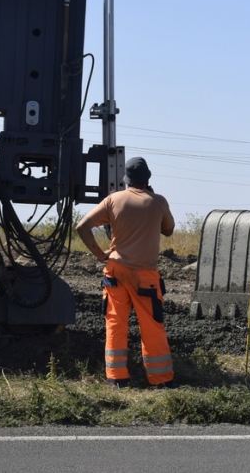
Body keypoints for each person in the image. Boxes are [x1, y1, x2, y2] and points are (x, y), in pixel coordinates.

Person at [76, 157, 176, 388]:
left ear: (126, 179)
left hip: (115, 271)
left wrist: (101, 254)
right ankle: (160, 380)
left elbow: (82, 226)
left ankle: (117, 378)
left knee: (115, 323)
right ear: (148, 178)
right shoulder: (158, 201)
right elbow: (168, 231)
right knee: (151, 326)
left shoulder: (113, 200)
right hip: (145, 276)